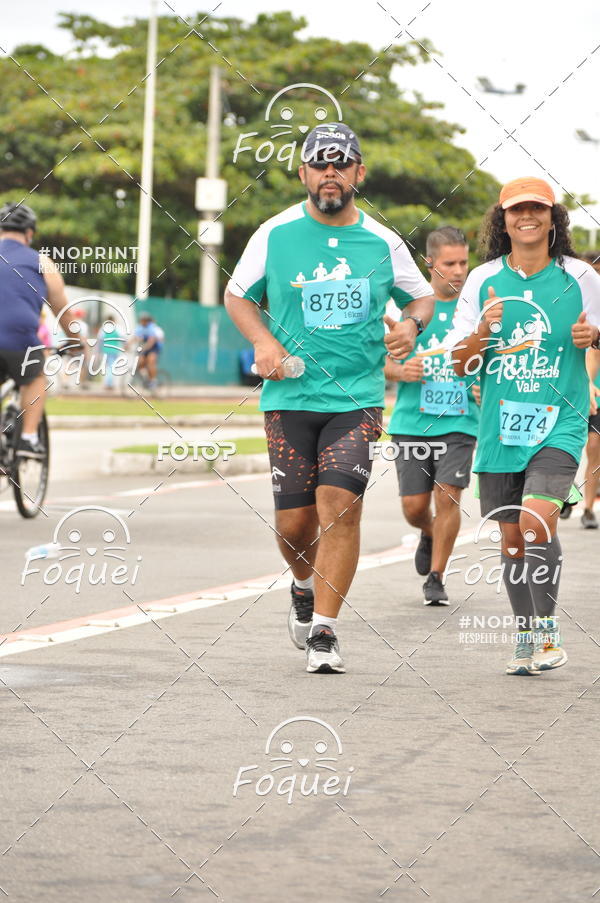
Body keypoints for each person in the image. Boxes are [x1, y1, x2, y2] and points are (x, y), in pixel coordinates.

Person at [224, 122, 435, 674]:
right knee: (294, 526)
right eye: (320, 163)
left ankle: (325, 630)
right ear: (303, 173)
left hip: (356, 400)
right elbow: (237, 296)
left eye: (342, 163)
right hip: (289, 398)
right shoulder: (275, 233)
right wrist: (263, 340)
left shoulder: (382, 241)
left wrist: (410, 326)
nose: (331, 172)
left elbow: (422, 297)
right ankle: (301, 585)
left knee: (340, 510)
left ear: (359, 173)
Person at [448, 177, 600, 675]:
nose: (527, 216)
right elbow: (459, 364)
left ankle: (548, 631)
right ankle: (526, 634)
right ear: (503, 219)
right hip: (499, 430)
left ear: (554, 218)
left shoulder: (580, 276)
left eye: (538, 208)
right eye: (517, 210)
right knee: (512, 540)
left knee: (536, 523)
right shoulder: (482, 280)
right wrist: (484, 329)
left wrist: (594, 335)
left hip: (560, 422)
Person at [385, 227, 479, 604]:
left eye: (463, 263)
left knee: (449, 496)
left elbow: (494, 359)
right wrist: (399, 371)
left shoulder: (475, 311)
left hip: (459, 422)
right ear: (430, 264)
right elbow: (378, 364)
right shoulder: (407, 311)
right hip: (411, 423)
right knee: (413, 508)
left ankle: (437, 577)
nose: (458, 271)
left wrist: (481, 384)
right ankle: (427, 531)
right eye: (449, 264)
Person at [0, 202, 80, 457]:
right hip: (19, 340)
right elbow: (64, 313)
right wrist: (78, 342)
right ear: (29, 233)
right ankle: (28, 438)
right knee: (35, 376)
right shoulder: (41, 262)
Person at [582, 345, 600, 527]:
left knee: (595, 451)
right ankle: (587, 508)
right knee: (591, 447)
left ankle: (588, 508)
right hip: (589, 395)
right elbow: (593, 352)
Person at [132, 312, 164, 393]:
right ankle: (146, 379)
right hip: (145, 347)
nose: (142, 322)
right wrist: (127, 344)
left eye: (144, 320)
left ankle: (153, 381)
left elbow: (152, 340)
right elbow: (135, 337)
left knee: (150, 362)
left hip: (154, 347)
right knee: (140, 363)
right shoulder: (140, 327)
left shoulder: (152, 328)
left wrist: (145, 348)